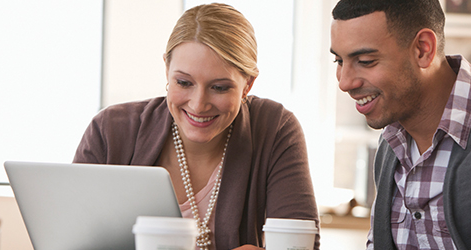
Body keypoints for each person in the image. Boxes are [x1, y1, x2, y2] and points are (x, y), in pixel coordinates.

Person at [74, 3, 320, 250]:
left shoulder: (275, 129)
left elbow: (299, 242)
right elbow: (70, 238)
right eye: (183, 82)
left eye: (220, 87)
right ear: (167, 69)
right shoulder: (110, 130)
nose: (199, 105)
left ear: (248, 84)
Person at [329, 0, 471, 249]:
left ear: (423, 50)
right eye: (338, 61)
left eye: (365, 60)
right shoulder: (390, 142)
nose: (345, 82)